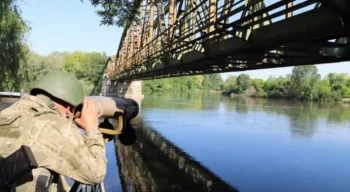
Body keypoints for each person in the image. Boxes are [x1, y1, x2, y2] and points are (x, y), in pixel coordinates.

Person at [0, 70, 107, 191]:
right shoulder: (58, 127)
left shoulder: (6, 112)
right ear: (68, 109)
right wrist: (92, 129)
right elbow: (96, 174)